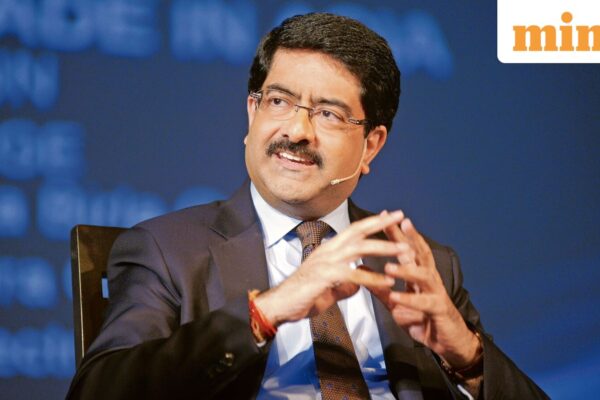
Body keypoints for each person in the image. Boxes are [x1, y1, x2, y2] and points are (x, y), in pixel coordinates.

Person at [67, 13, 548, 400]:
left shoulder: (420, 266)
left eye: (329, 114)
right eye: (279, 101)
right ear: (253, 112)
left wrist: (467, 356)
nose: (297, 131)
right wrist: (268, 310)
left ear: (371, 145)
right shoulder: (169, 250)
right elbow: (99, 391)